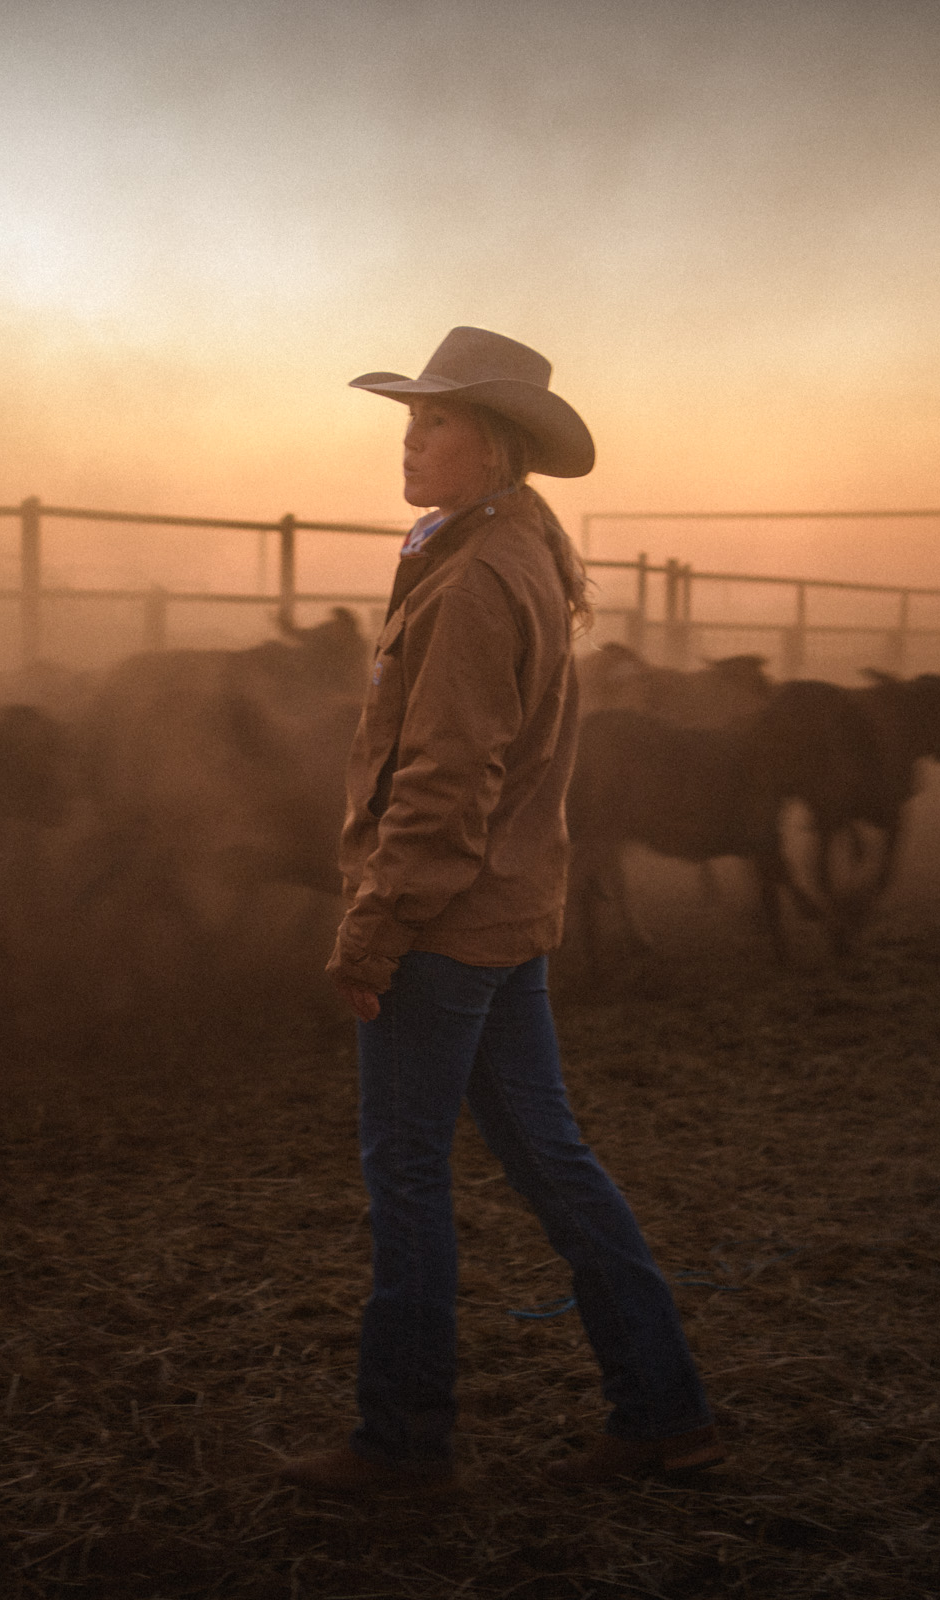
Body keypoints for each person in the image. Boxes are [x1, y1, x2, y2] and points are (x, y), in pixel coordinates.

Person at [279, 327, 720, 1496]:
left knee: (410, 1179)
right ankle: (665, 1408)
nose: (412, 440)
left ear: (495, 445)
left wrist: (372, 929)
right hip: (503, 915)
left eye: (435, 422)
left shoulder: (473, 579)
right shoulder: (508, 552)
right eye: (410, 421)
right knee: (552, 1159)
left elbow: (443, 782)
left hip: (440, 925)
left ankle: (403, 1441)